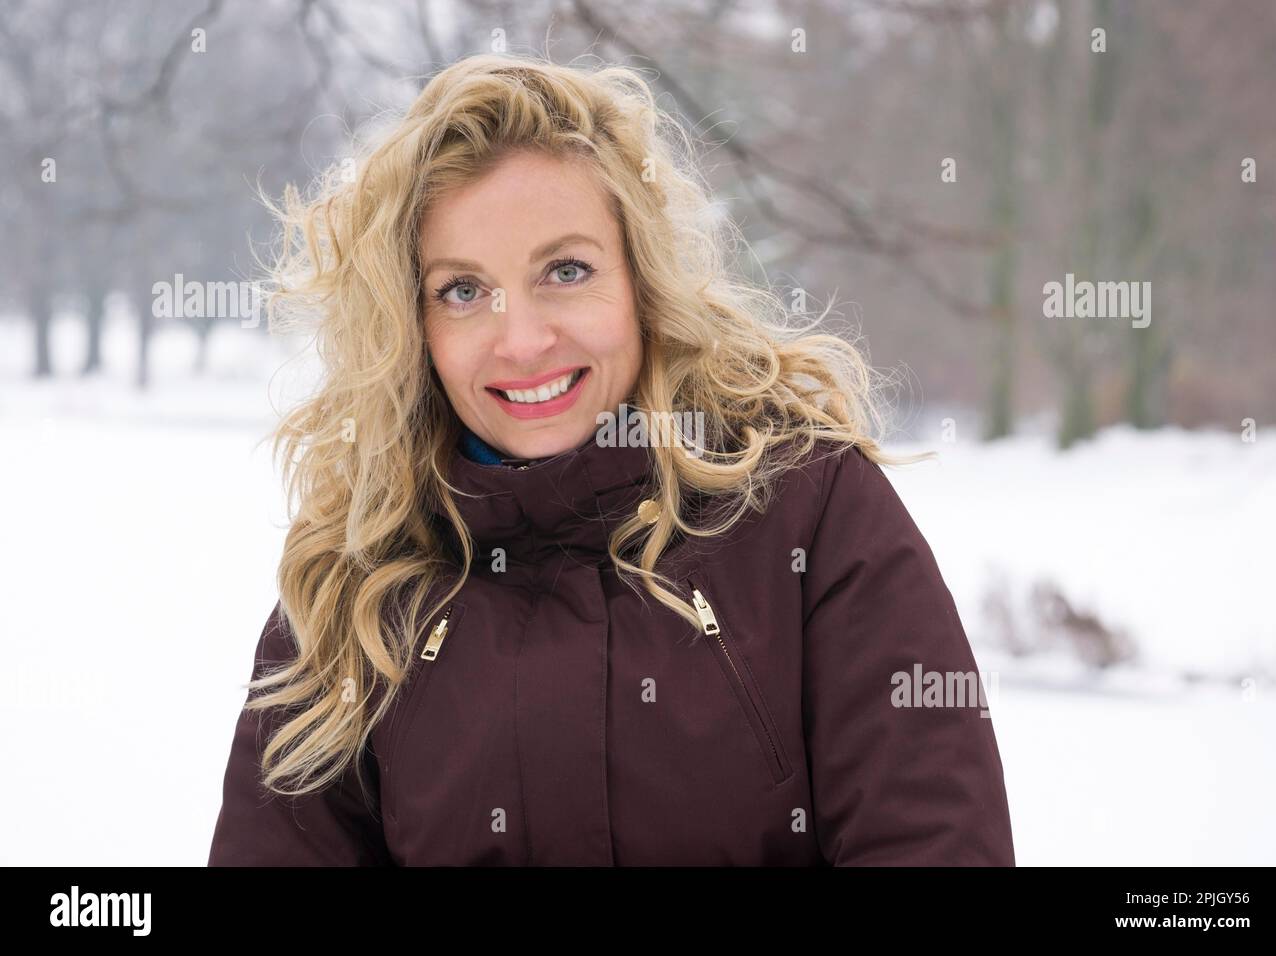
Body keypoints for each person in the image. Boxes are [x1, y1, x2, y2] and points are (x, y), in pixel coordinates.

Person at [207, 52, 1015, 866]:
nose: (521, 340)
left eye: (566, 271)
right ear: (412, 325)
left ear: (640, 279)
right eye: (462, 290)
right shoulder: (352, 584)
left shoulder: (811, 510)